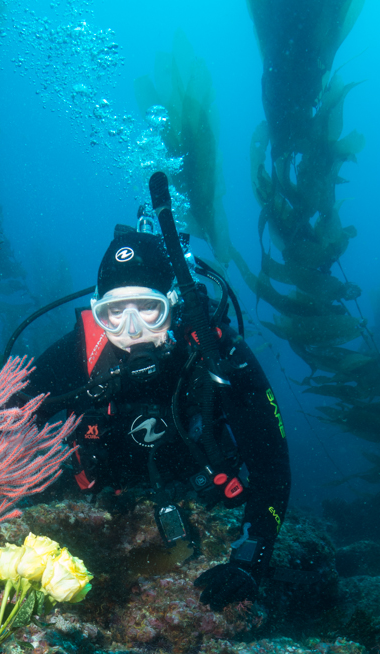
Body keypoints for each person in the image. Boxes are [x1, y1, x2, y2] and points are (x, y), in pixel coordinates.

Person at [22, 224, 291, 611]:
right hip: (100, 494)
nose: (133, 330)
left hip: (200, 495)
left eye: (149, 309)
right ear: (98, 311)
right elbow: (11, 420)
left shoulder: (216, 352)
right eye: (114, 313)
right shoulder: (77, 352)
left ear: (174, 302)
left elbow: (271, 464)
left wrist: (249, 561)